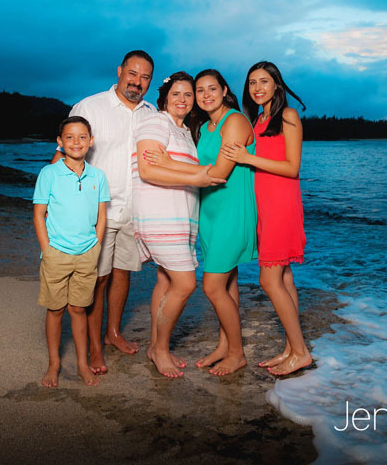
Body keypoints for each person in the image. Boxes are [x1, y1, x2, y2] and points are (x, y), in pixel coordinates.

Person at [145, 69, 256, 376]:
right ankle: (225, 346)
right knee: (228, 282)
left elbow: (219, 172)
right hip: (207, 212)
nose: (206, 95)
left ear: (224, 90)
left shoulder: (234, 120)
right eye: (200, 90)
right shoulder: (205, 126)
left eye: (212, 89)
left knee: (212, 286)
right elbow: (199, 170)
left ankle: (237, 353)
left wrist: (168, 163)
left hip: (231, 212)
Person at [52, 50, 156, 375]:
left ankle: (113, 334)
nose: (137, 82)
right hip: (96, 212)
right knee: (98, 278)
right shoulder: (89, 107)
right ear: (120, 71)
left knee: (123, 273)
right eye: (133, 73)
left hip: (134, 210)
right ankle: (95, 346)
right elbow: (63, 156)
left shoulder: (151, 114)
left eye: (145, 77)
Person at [222, 61, 312, 376]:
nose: (257, 88)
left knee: (268, 279)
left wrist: (248, 158)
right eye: (251, 83)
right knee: (284, 277)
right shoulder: (259, 119)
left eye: (264, 81)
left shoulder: (288, 116)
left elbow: (291, 167)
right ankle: (291, 347)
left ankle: (300, 352)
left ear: (277, 84)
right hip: (265, 206)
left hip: (282, 206)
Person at [132, 72, 225, 378]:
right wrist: (199, 176)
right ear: (165, 97)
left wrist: (187, 171)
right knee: (185, 283)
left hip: (180, 218)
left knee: (165, 281)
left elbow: (171, 165)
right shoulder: (157, 122)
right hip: (160, 215)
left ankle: (154, 345)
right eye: (176, 94)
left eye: (188, 95)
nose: (183, 100)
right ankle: (160, 350)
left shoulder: (183, 131)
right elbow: (147, 170)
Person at [33, 117, 110, 387]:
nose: (76, 142)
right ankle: (54, 364)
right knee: (55, 310)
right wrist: (48, 250)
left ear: (91, 141)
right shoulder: (49, 173)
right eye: (69, 137)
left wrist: (96, 246)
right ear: (60, 142)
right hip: (56, 255)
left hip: (87, 254)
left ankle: (81, 364)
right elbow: (39, 214)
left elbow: (101, 216)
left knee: (79, 309)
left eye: (82, 137)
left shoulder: (98, 176)